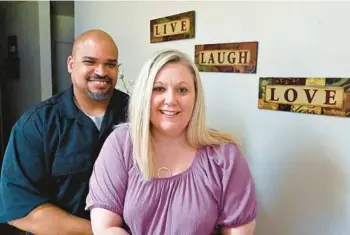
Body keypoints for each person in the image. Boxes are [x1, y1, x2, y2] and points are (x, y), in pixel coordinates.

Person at [85, 49, 258, 235]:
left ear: (196, 97)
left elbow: (238, 231)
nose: (170, 100)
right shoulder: (120, 144)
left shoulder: (224, 155)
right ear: (145, 95)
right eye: (159, 89)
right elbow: (106, 227)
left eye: (182, 90)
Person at [0, 29, 129, 235]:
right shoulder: (37, 124)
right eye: (90, 62)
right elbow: (20, 209)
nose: (101, 71)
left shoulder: (136, 115)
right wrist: (101, 232)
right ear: (71, 64)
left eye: (110, 64)